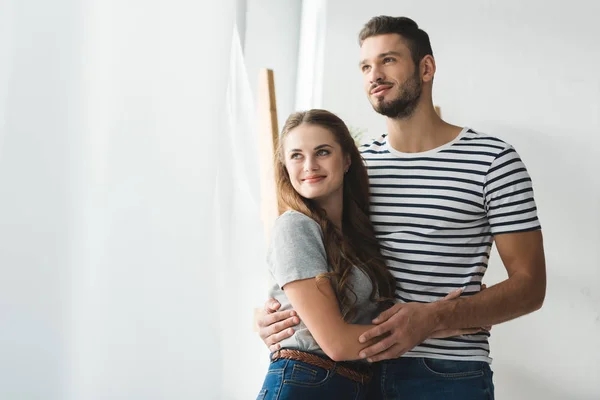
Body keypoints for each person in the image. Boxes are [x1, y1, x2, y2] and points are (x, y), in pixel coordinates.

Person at [258, 16, 547, 399]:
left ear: (425, 68)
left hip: (445, 372)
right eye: (365, 66)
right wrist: (274, 313)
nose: (374, 74)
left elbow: (530, 287)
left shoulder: (492, 160)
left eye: (388, 60)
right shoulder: (354, 167)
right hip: (352, 373)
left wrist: (437, 317)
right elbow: (311, 252)